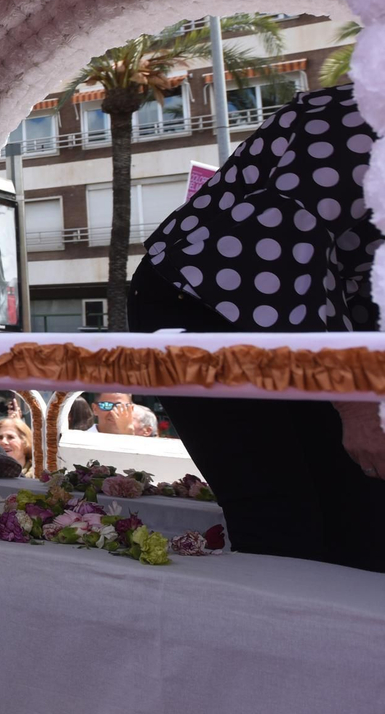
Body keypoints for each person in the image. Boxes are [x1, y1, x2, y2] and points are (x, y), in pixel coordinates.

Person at [129, 84, 385, 572]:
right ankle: (282, 643)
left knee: (363, 508)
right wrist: (356, 403)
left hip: (312, 314)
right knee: (281, 513)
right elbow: (292, 254)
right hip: (201, 305)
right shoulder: (355, 119)